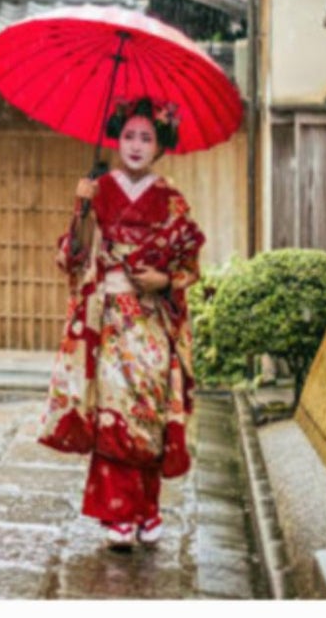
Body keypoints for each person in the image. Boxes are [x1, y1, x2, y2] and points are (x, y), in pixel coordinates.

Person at [39, 96, 207, 548]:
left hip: (151, 319)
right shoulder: (99, 188)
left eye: (146, 138)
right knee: (113, 410)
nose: (135, 145)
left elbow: (191, 266)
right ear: (117, 139)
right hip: (109, 319)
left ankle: (148, 508)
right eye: (129, 135)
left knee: (148, 412)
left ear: (159, 146)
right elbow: (72, 257)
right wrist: (81, 209)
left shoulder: (172, 200)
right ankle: (117, 513)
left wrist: (163, 279)